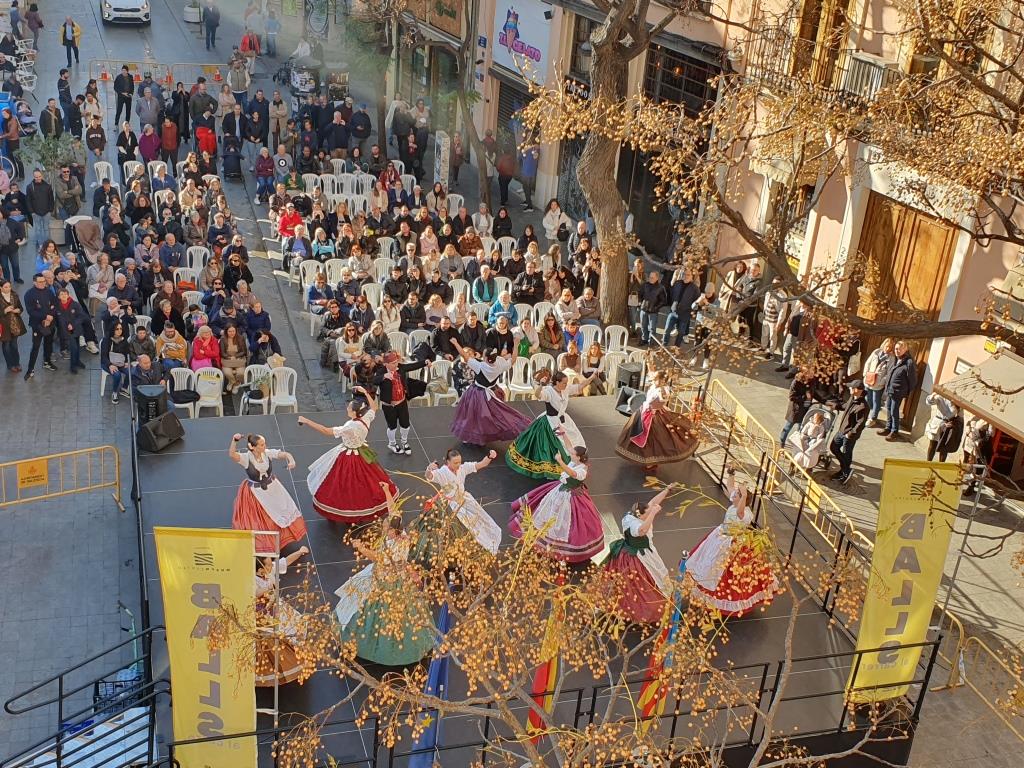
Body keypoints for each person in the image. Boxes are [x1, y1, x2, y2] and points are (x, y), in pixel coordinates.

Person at [333, 486, 434, 665]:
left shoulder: (397, 546)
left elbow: (379, 558)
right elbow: (393, 509)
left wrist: (361, 548)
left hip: (389, 582)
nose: (384, 528)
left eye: (387, 527)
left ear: (394, 531)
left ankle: (380, 647)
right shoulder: (400, 532)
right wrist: (387, 491)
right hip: (386, 574)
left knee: (382, 612)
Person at [686, 468, 779, 616]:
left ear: (742, 499)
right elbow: (729, 488)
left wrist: (743, 494)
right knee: (708, 564)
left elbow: (739, 511)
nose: (733, 494)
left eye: (737, 495)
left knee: (726, 573)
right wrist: (731, 474)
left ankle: (722, 599)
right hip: (721, 537)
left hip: (733, 545)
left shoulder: (745, 513)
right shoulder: (735, 503)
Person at [300, 389, 398, 523]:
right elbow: (374, 407)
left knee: (343, 484)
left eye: (349, 407)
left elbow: (326, 431)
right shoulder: (365, 418)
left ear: (354, 412)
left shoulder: (350, 426)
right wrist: (365, 392)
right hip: (362, 453)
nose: (347, 408)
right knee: (365, 482)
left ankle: (344, 512)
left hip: (349, 457)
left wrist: (307, 421)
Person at [509, 432, 604, 563]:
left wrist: (560, 461)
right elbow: (570, 448)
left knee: (567, 520)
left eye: (573, 455)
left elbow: (571, 473)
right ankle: (544, 533)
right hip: (560, 491)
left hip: (571, 496)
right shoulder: (574, 459)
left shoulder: (582, 470)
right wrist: (564, 434)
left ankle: (560, 547)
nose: (570, 454)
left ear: (579, 458)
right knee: (547, 510)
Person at [602, 485, 675, 623]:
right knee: (638, 581)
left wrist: (666, 490)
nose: (649, 512)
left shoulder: (631, 515)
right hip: (638, 557)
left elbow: (653, 503)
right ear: (640, 515)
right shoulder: (636, 524)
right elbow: (642, 530)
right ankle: (637, 608)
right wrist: (653, 514)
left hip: (629, 549)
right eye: (646, 513)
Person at [506, 370, 596, 480]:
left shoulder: (565, 389)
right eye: (564, 383)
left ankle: (572, 463)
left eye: (566, 383)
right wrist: (541, 385)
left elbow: (580, 386)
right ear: (557, 382)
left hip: (564, 420)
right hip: (552, 421)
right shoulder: (549, 391)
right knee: (554, 443)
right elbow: (538, 394)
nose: (566, 385)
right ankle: (557, 467)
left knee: (574, 440)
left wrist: (592, 377)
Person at [229, 433, 306, 554]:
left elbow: (285, 454)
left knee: (280, 511)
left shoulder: (267, 453)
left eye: (264, 443)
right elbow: (232, 455)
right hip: (256, 493)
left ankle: (278, 539)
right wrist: (234, 440)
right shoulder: (246, 458)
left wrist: (291, 460)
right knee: (261, 518)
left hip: (273, 488)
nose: (265, 446)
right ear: (252, 447)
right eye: (262, 444)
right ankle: (265, 543)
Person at [423, 448, 503, 555]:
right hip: (450, 504)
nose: (458, 464)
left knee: (481, 518)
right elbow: (429, 476)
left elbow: (480, 464)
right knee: (462, 527)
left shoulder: (462, 468)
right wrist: (429, 468)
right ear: (448, 462)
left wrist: (489, 457)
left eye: (459, 462)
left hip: (464, 499)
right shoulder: (442, 472)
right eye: (455, 462)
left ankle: (489, 544)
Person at [615, 371, 699, 471]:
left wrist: (661, 398)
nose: (654, 381)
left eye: (656, 379)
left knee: (655, 439)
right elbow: (650, 399)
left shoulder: (663, 391)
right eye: (654, 379)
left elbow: (662, 400)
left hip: (654, 416)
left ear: (662, 381)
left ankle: (651, 462)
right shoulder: (653, 387)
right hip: (645, 412)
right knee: (643, 436)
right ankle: (648, 461)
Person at [450, 346, 532, 445]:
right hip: (491, 392)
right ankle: (481, 437)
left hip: (477, 393)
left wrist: (455, 343)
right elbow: (514, 359)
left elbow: (463, 354)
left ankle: (473, 436)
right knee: (488, 416)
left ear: (485, 358)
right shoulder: (499, 364)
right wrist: (516, 343)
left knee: (471, 414)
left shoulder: (480, 366)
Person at [253, 546, 311, 686]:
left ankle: (293, 648)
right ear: (260, 570)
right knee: (271, 641)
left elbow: (283, 563)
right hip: (260, 614)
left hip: (275, 607)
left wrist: (299, 552)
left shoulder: (268, 569)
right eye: (268, 564)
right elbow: (253, 594)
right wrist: (268, 588)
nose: (271, 565)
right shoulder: (249, 580)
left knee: (290, 629)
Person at [375, 351, 426, 455]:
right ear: (386, 364)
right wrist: (384, 376)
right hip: (389, 405)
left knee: (405, 424)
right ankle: (392, 444)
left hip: (402, 402)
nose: (396, 364)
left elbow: (412, 366)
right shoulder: (381, 371)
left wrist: (425, 362)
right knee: (392, 426)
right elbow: (373, 380)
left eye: (396, 362)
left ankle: (404, 442)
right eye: (393, 363)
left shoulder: (400, 368)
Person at [830, 380, 870, 484]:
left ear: (857, 390)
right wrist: (836, 406)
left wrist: (850, 434)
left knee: (847, 453)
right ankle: (845, 469)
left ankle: (845, 473)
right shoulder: (853, 398)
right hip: (841, 431)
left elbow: (860, 424)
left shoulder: (863, 407)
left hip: (849, 435)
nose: (849, 388)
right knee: (833, 447)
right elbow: (845, 406)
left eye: (851, 387)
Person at [878, 340, 916, 441]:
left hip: (898, 392)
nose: (897, 350)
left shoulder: (909, 362)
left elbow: (912, 380)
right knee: (889, 409)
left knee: (894, 411)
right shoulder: (896, 359)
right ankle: (888, 428)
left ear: (905, 349)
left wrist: (906, 391)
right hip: (891, 389)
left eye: (899, 349)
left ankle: (894, 431)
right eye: (896, 349)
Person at [22, 272, 56, 379]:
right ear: (34, 282)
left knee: (49, 343)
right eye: (40, 282)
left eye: (44, 281)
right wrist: (46, 316)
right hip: (37, 325)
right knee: (36, 347)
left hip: (50, 323)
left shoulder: (49, 291)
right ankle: (30, 369)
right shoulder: (29, 294)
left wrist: (50, 316)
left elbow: (54, 305)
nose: (43, 283)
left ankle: (47, 361)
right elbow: (31, 312)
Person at [661, 268, 700, 347]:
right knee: (667, 330)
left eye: (688, 275)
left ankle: (676, 348)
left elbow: (696, 302)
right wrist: (673, 304)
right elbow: (672, 294)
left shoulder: (695, 288)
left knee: (681, 333)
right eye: (684, 274)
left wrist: (691, 312)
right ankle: (664, 345)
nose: (686, 276)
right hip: (673, 311)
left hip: (685, 314)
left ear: (692, 276)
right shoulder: (677, 283)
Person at [862, 337, 893, 426]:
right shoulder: (876, 352)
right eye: (887, 346)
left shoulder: (891, 358)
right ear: (883, 345)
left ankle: (873, 418)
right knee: (867, 398)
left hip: (878, 383)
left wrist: (882, 382)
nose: (888, 349)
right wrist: (865, 373)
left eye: (890, 347)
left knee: (876, 401)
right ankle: (866, 414)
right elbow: (868, 362)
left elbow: (889, 373)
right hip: (868, 379)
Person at [924, 393, 963, 462]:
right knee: (933, 444)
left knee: (944, 447)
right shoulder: (941, 397)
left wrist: (954, 424)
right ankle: (928, 463)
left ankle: (941, 466)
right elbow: (929, 402)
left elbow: (960, 417)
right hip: (938, 423)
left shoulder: (958, 401)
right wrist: (934, 394)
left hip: (949, 426)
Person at [0, 278, 26, 371]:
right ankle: (10, 365)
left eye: (9, 286)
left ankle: (17, 363)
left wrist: (18, 310)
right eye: (6, 287)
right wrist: (4, 311)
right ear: (1, 288)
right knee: (6, 346)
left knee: (14, 345)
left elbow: (20, 307)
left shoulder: (14, 295)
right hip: (3, 326)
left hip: (15, 324)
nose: (8, 289)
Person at [638, 271, 667, 346]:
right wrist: (641, 303)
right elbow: (640, 294)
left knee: (652, 328)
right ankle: (644, 339)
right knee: (643, 326)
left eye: (652, 277)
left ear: (657, 278)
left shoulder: (661, 288)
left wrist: (656, 308)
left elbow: (663, 301)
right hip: (644, 309)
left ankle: (651, 341)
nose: (650, 279)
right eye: (650, 277)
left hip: (653, 312)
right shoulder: (645, 285)